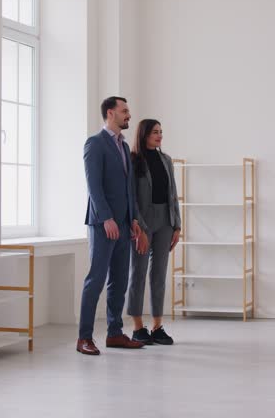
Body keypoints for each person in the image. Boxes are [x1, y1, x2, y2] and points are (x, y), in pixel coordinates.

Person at [77, 96, 147, 356]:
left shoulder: (124, 146)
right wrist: (106, 218)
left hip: (125, 224)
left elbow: (129, 189)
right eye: (124, 111)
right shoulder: (95, 144)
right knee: (96, 279)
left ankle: (115, 333)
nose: (129, 115)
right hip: (102, 223)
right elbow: (93, 185)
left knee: (119, 280)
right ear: (110, 113)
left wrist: (135, 219)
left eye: (128, 110)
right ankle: (84, 337)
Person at [128, 119, 182, 345]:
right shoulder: (132, 160)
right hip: (142, 223)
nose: (159, 136)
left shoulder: (166, 160)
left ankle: (157, 326)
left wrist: (177, 225)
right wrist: (137, 224)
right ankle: (138, 327)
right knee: (138, 273)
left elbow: (173, 193)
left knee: (159, 274)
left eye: (161, 132)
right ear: (144, 135)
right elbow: (130, 196)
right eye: (154, 132)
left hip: (165, 221)